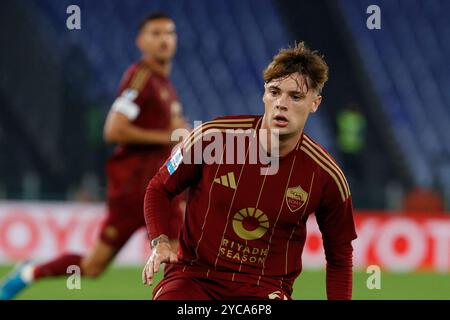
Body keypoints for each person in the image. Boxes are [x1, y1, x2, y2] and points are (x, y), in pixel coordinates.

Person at [142, 42, 357, 300]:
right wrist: (160, 242)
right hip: (193, 279)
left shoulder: (326, 176)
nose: (281, 103)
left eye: (296, 96)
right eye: (275, 92)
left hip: (263, 289)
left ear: (315, 103)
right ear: (264, 94)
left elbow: (340, 254)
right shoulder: (212, 138)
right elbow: (158, 188)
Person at [0, 12, 186, 300]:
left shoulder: (166, 86)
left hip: (161, 191)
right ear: (141, 41)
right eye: (156, 33)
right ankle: (28, 273)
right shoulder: (141, 79)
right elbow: (114, 129)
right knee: (93, 266)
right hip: (132, 192)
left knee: (181, 254)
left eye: (169, 33)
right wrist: (168, 136)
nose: (164, 40)